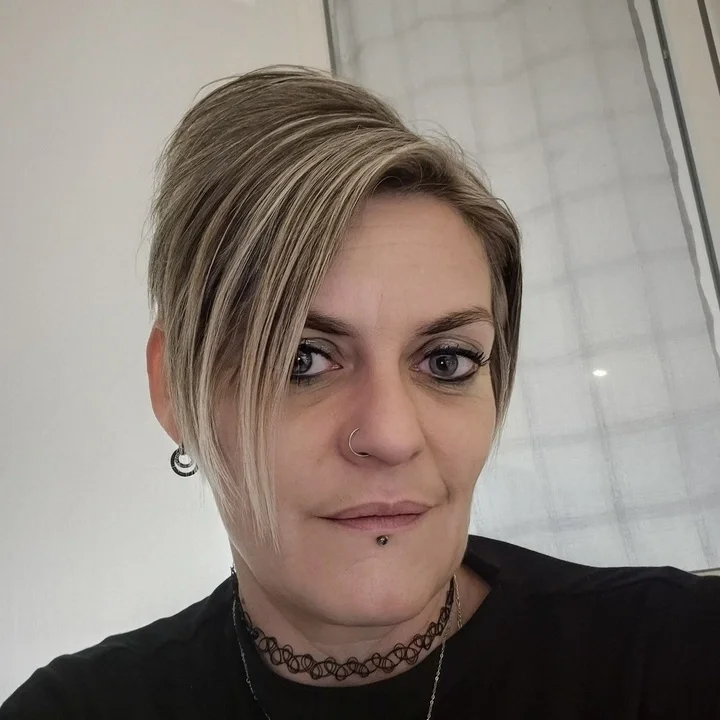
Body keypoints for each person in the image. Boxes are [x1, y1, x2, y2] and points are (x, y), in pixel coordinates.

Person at [1, 65, 719, 720]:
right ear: (174, 391)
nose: (391, 435)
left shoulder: (678, 654)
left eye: (446, 362)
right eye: (302, 359)